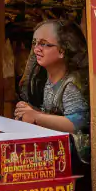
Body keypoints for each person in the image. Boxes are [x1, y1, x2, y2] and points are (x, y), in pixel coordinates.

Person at [15, 19, 90, 161]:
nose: (36, 49)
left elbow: (76, 124)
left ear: (62, 51)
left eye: (44, 44)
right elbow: (54, 115)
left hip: (74, 159)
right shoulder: (49, 79)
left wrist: (36, 117)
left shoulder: (71, 85)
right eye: (35, 43)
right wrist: (32, 111)